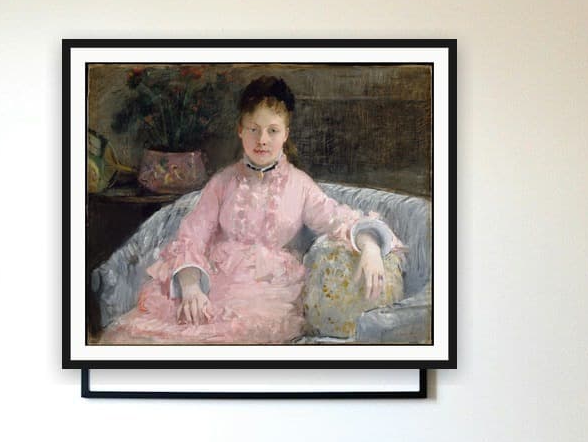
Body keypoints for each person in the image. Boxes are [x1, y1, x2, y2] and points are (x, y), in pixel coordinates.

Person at [97, 76, 405, 345]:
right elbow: (191, 236)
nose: (262, 140)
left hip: (268, 292)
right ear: (240, 131)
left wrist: (370, 247)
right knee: (147, 335)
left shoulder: (300, 185)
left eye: (272, 131)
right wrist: (191, 287)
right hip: (214, 283)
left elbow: (338, 219)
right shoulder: (222, 182)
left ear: (286, 134)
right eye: (253, 129)